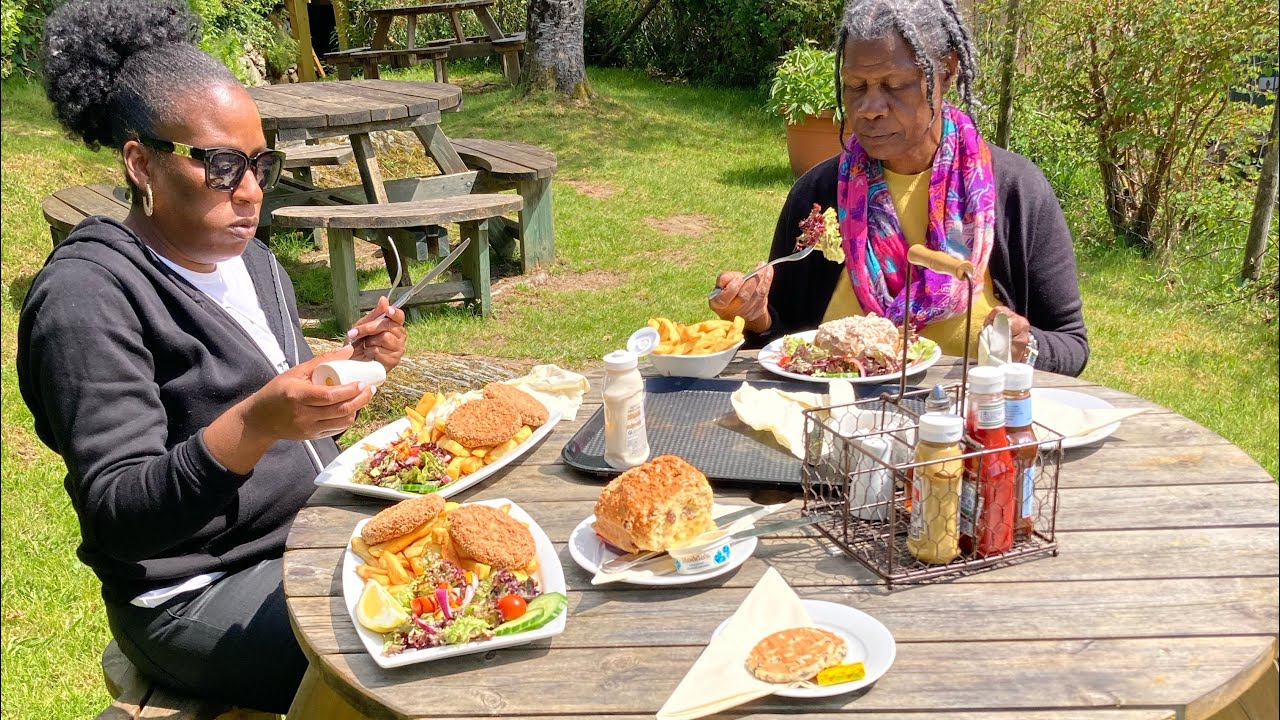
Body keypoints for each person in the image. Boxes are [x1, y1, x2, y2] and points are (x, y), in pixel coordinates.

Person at [16, 0, 408, 712]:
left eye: (260, 163)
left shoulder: (252, 262)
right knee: (427, 632)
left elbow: (263, 405)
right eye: (220, 165)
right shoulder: (85, 299)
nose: (252, 191)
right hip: (194, 592)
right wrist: (257, 423)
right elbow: (119, 511)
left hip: (313, 534)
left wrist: (349, 367)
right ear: (141, 162)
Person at [710, 0, 1089, 376]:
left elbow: (1071, 345)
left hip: (963, 426)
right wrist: (755, 317)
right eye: (855, 86)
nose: (870, 107)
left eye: (895, 85)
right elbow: (783, 345)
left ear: (946, 71)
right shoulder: (818, 196)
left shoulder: (1014, 191)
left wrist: (1027, 347)